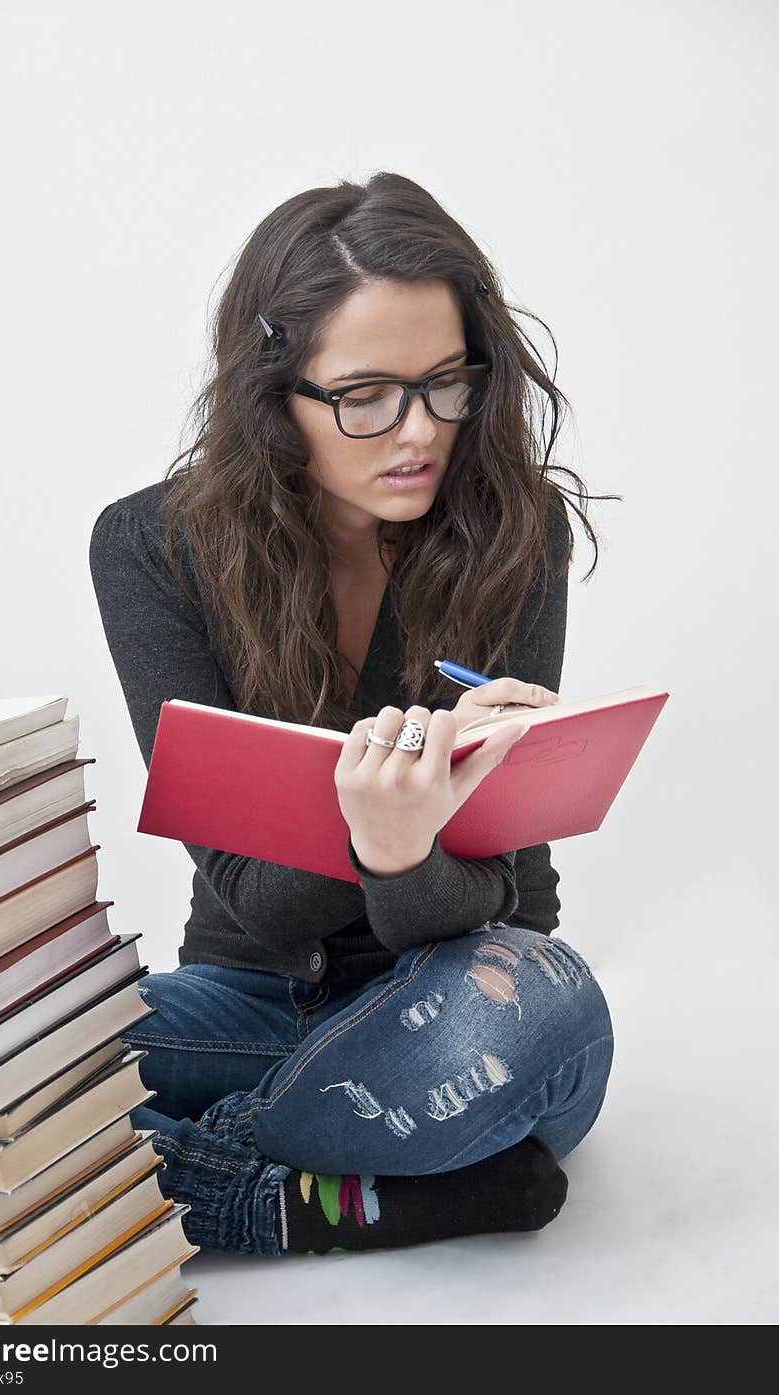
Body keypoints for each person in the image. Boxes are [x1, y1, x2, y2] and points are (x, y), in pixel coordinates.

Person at [88, 171, 617, 1258]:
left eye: (447, 385)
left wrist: (401, 855)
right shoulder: (153, 550)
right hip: (252, 999)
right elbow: (259, 910)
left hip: (458, 1006)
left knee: (550, 1011)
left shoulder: (521, 532)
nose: (418, 433)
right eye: (365, 395)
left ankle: (186, 1172)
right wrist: (380, 833)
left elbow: (498, 903)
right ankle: (326, 1189)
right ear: (273, 395)